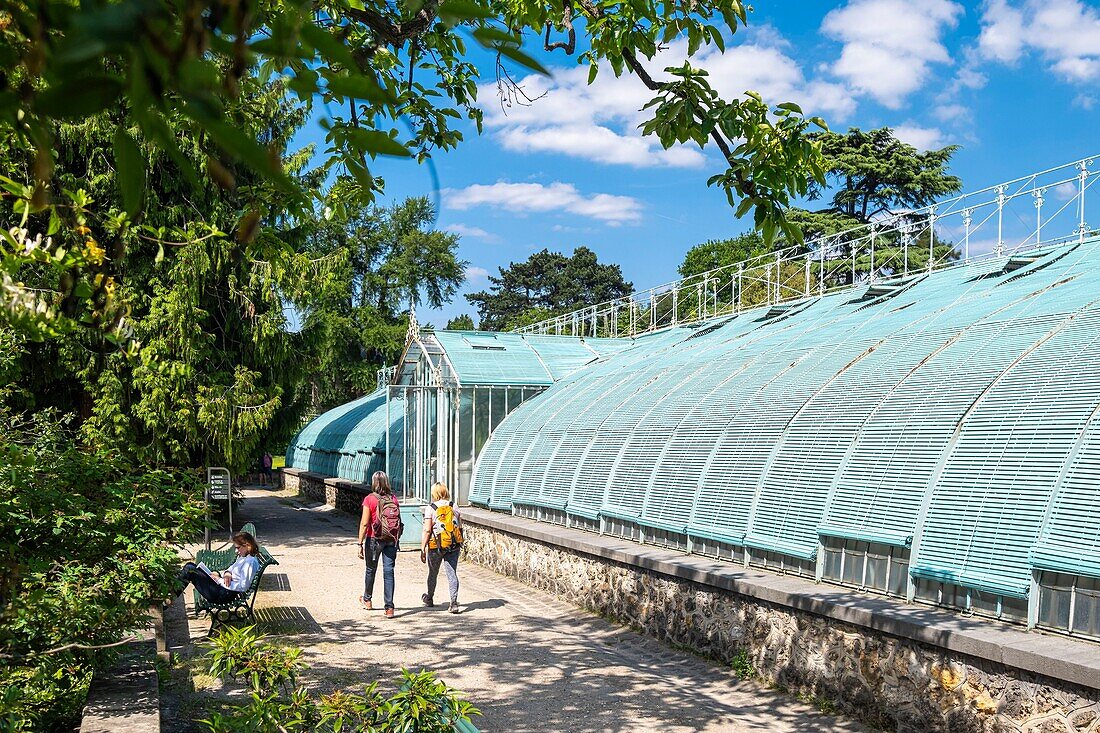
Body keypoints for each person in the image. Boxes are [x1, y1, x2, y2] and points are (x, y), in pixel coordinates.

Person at [173, 532, 261, 605]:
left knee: (190, 569)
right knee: (191, 566)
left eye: (238, 548)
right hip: (221, 589)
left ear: (247, 545)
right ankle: (170, 596)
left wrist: (219, 580)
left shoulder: (250, 562)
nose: (236, 551)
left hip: (222, 594)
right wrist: (227, 573)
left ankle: (170, 597)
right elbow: (231, 568)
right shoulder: (244, 557)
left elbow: (243, 586)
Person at [358, 471, 400, 618]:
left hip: (374, 539)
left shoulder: (369, 499)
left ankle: (367, 600)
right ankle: (389, 608)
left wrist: (359, 543)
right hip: (390, 539)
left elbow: (364, 523)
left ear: (374, 483)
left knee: (371, 569)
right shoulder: (393, 499)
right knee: (389, 572)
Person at [421, 482, 462, 614]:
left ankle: (430, 598)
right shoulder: (453, 505)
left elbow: (427, 530)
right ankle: (454, 602)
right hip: (453, 544)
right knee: (451, 573)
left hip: (435, 545)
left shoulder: (431, 508)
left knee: (433, 572)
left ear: (434, 493)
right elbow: (459, 526)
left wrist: (422, 547)